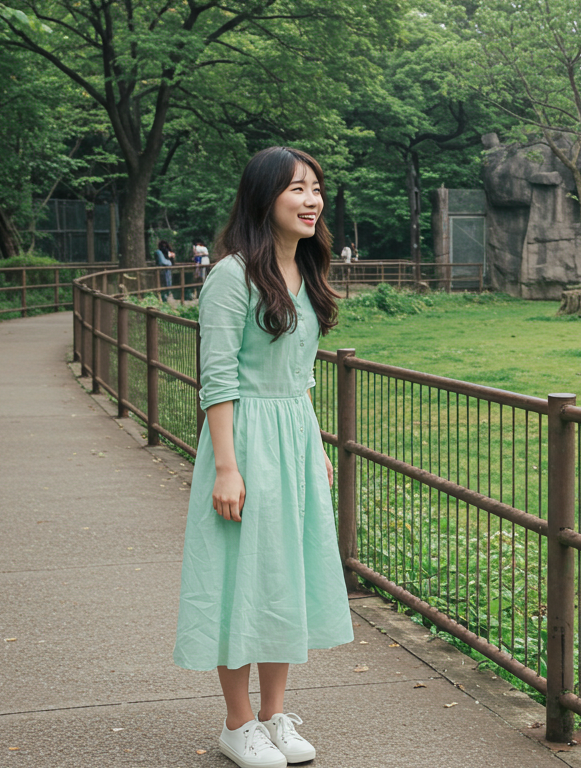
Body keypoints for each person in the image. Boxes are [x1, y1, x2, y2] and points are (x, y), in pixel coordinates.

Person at [174, 146, 351, 768]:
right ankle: (237, 722)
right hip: (244, 439)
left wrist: (316, 442)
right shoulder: (230, 276)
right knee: (235, 578)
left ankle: (275, 715)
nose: (312, 200)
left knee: (284, 575)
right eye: (297, 190)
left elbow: (296, 374)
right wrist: (227, 466)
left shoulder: (304, 270)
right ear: (264, 198)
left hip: (292, 439)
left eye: (317, 189)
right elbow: (217, 379)